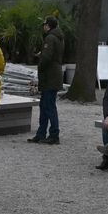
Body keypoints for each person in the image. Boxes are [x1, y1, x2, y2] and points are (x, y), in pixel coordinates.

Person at [29, 15, 65, 144]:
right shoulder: (59, 37)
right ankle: (41, 134)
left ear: (48, 25)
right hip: (53, 76)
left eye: (44, 25)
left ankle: (54, 135)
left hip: (50, 77)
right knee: (45, 105)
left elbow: (47, 58)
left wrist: (40, 61)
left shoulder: (50, 38)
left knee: (48, 106)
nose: (43, 27)